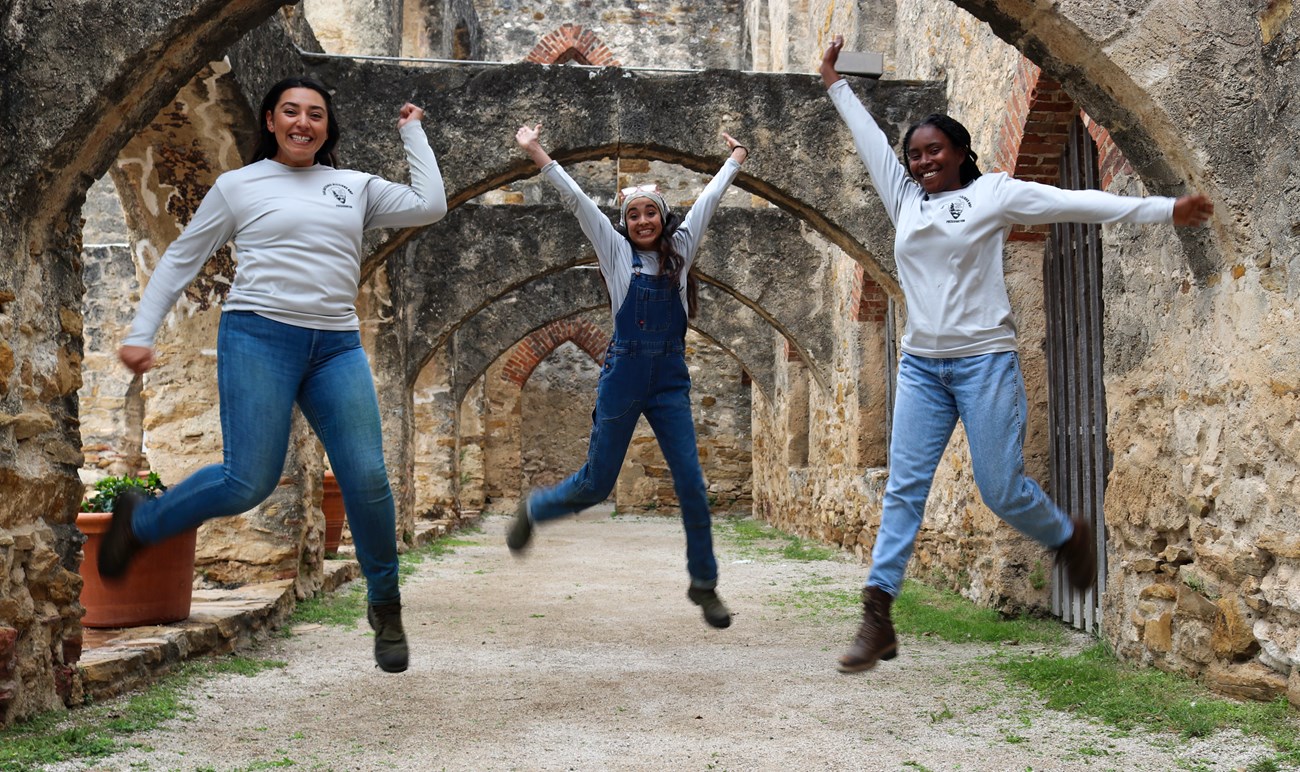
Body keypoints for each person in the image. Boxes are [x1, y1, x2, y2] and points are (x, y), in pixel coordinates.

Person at [819, 36, 1214, 673]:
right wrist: (835, 82)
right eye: (915, 155)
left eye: (934, 151)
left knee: (1001, 490)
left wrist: (1164, 209)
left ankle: (1067, 535)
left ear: (960, 153)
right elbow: (867, 138)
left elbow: (1078, 204)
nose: (922, 163)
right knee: (904, 492)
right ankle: (878, 615)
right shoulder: (905, 202)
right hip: (921, 367)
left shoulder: (993, 194)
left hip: (984, 364)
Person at [102, 76, 448, 674]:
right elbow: (182, 256)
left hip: (336, 345)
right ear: (270, 120)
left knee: (367, 476)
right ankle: (143, 519)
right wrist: (141, 332)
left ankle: (385, 602)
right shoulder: (239, 186)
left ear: (326, 127)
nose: (302, 122)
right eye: (290, 111)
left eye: (315, 114)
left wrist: (412, 131)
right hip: (258, 335)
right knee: (248, 481)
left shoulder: (353, 186)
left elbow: (431, 205)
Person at [507, 122, 748, 629]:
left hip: (669, 382)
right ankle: (537, 510)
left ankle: (704, 584)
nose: (642, 221)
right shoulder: (615, 254)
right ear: (624, 223)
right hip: (622, 375)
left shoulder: (682, 251)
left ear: (664, 218)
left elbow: (707, 203)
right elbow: (578, 202)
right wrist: (536, 152)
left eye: (650, 213)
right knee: (596, 485)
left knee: (692, 486)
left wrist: (734, 162)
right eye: (633, 214)